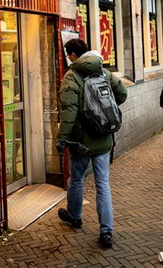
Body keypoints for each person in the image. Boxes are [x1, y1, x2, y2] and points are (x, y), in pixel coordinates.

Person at [56, 38, 128, 248]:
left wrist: (62, 138)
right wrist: (103, 114)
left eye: (68, 54)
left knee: (76, 179)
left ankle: (74, 216)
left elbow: (69, 112)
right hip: (104, 138)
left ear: (73, 55)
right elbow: (122, 94)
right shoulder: (103, 72)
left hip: (81, 142)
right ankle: (106, 231)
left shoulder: (71, 76)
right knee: (103, 184)